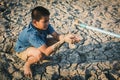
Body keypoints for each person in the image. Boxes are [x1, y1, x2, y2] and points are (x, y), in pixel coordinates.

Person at [14, 6, 80, 78]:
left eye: (48, 20)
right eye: (45, 21)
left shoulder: (45, 25)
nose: (47, 23)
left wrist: (67, 37)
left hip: (38, 43)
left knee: (55, 41)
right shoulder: (32, 34)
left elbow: (57, 36)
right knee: (40, 54)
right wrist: (63, 40)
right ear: (35, 22)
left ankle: (36, 54)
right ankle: (27, 64)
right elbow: (47, 52)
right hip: (23, 49)